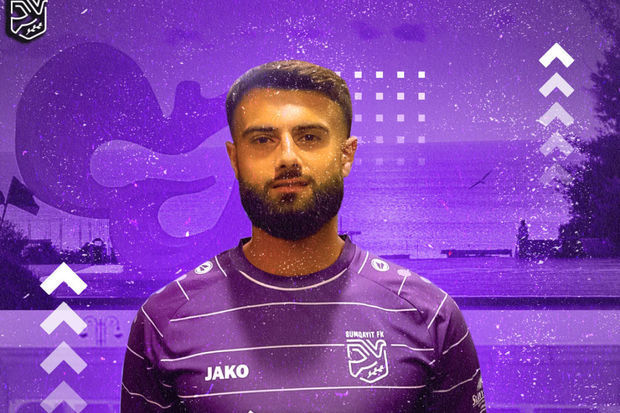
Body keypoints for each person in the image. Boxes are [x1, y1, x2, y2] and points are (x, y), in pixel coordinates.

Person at [120, 60, 486, 412]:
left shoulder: (430, 317)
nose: (287, 157)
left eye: (309, 137)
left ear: (346, 155)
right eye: (262, 140)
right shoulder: (164, 323)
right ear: (235, 159)